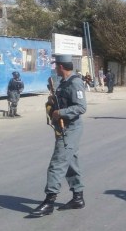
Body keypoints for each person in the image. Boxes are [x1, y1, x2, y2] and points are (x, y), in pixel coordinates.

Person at [31, 54, 87, 217]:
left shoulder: (75, 82)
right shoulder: (63, 83)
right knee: (71, 162)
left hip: (71, 128)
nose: (55, 68)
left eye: (56, 66)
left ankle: (49, 201)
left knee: (57, 163)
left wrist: (60, 112)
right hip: (63, 128)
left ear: (61, 67)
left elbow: (81, 107)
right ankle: (78, 197)